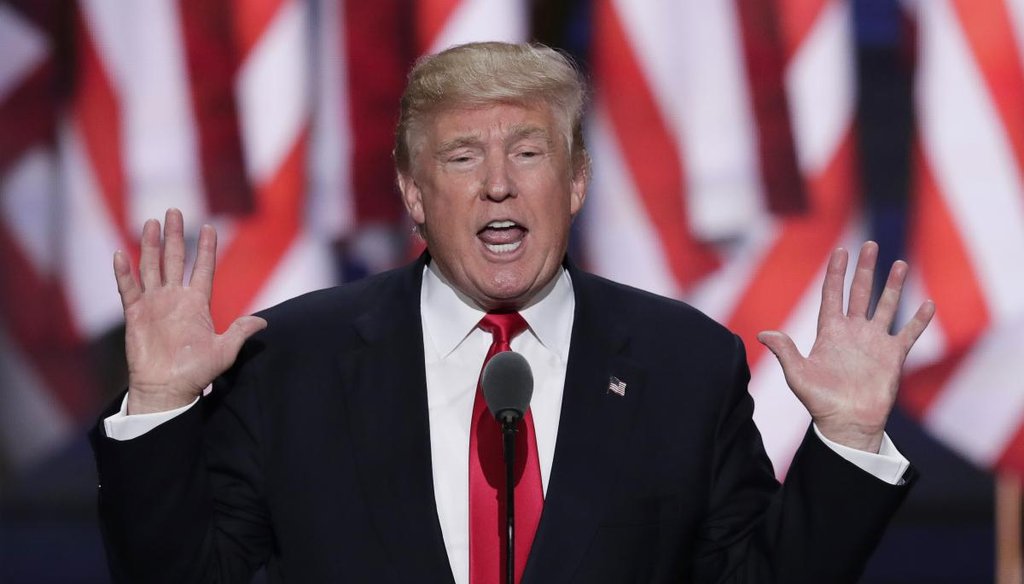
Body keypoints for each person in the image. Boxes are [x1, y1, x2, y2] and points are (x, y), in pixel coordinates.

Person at [91, 42, 935, 583]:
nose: (499, 182)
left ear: (573, 183)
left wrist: (848, 444)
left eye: (529, 152)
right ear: (414, 195)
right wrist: (162, 409)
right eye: (464, 156)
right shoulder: (295, 361)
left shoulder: (684, 363)